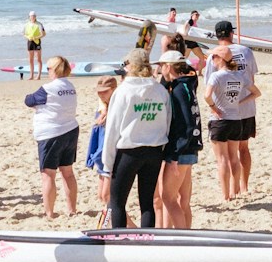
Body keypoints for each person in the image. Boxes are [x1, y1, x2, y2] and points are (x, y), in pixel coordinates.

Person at [103, 49, 170, 228]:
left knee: (117, 201)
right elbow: (167, 121)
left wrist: (107, 163)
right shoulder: (159, 89)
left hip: (129, 152)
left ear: (130, 66)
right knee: (146, 203)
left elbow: (113, 128)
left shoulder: (123, 91)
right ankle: (147, 242)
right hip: (154, 150)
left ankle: (118, 241)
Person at [22, 56, 79, 218]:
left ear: (54, 70)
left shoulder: (48, 88)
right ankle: (72, 209)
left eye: (48, 68)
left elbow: (29, 100)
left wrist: (40, 106)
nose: (47, 71)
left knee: (48, 174)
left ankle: (49, 212)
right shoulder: (71, 86)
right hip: (70, 129)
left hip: (51, 133)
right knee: (68, 172)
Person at [206, 32, 260, 201]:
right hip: (236, 118)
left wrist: (213, 107)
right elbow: (256, 92)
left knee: (222, 159)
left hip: (220, 119)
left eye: (214, 57)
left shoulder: (216, 76)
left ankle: (225, 195)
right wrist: (240, 102)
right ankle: (235, 190)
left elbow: (206, 96)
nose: (212, 59)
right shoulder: (239, 75)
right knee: (234, 157)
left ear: (220, 59)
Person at [156, 52, 200, 228]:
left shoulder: (179, 90)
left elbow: (186, 124)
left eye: (161, 66)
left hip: (181, 151)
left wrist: (175, 155)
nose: (159, 70)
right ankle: (184, 233)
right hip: (190, 148)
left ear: (169, 66)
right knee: (183, 200)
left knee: (167, 197)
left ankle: (183, 236)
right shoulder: (187, 84)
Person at [84, 75, 118, 224]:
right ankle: (110, 223)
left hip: (110, 155)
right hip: (101, 154)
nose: (101, 94)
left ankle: (124, 225)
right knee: (102, 196)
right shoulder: (102, 106)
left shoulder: (116, 107)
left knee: (107, 196)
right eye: (99, 91)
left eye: (105, 91)